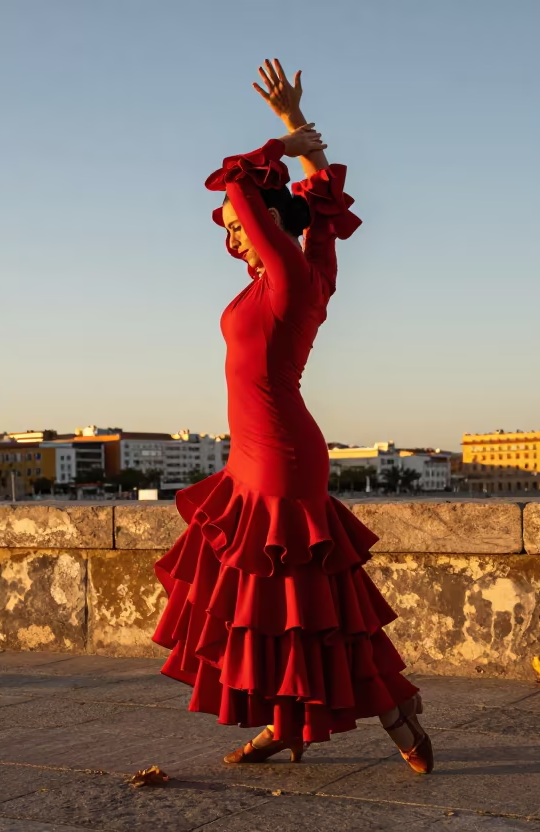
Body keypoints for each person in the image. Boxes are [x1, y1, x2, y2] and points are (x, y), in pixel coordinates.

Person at [151, 59, 433, 775]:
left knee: (304, 599)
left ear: (271, 228)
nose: (231, 234)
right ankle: (288, 724)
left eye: (237, 229)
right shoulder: (301, 273)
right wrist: (298, 132)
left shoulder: (285, 279)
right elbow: (322, 206)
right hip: (256, 453)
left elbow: (240, 186)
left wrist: (280, 143)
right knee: (279, 603)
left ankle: (396, 718)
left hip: (279, 454)